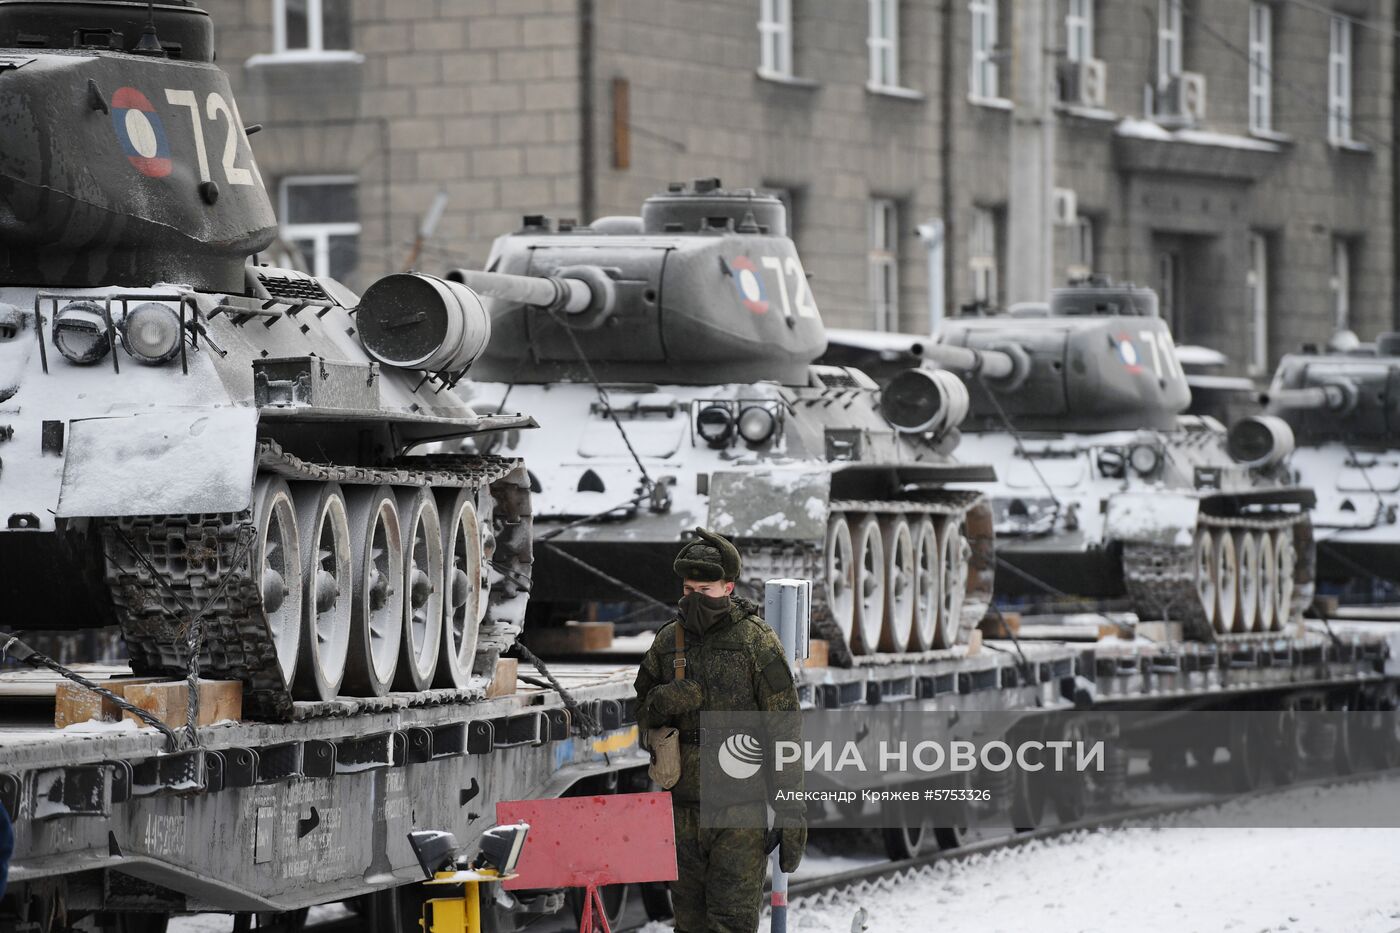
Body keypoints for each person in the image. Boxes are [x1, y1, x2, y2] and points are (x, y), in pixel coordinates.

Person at [634, 527, 806, 933]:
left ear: (729, 586)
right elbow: (641, 714)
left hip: (739, 813)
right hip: (682, 811)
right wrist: (666, 700)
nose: (694, 598)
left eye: (705, 589)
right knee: (689, 924)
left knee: (731, 923)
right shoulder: (668, 642)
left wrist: (791, 810)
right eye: (689, 588)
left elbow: (785, 729)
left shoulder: (755, 641)